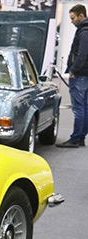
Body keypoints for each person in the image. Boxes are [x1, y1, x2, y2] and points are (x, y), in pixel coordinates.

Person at [57, 4, 88, 148]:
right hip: (85, 74)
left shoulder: (84, 32)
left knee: (79, 107)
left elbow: (82, 55)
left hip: (80, 75)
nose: (71, 21)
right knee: (84, 107)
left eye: (73, 18)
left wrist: (73, 70)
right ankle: (80, 137)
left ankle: (76, 138)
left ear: (81, 16)